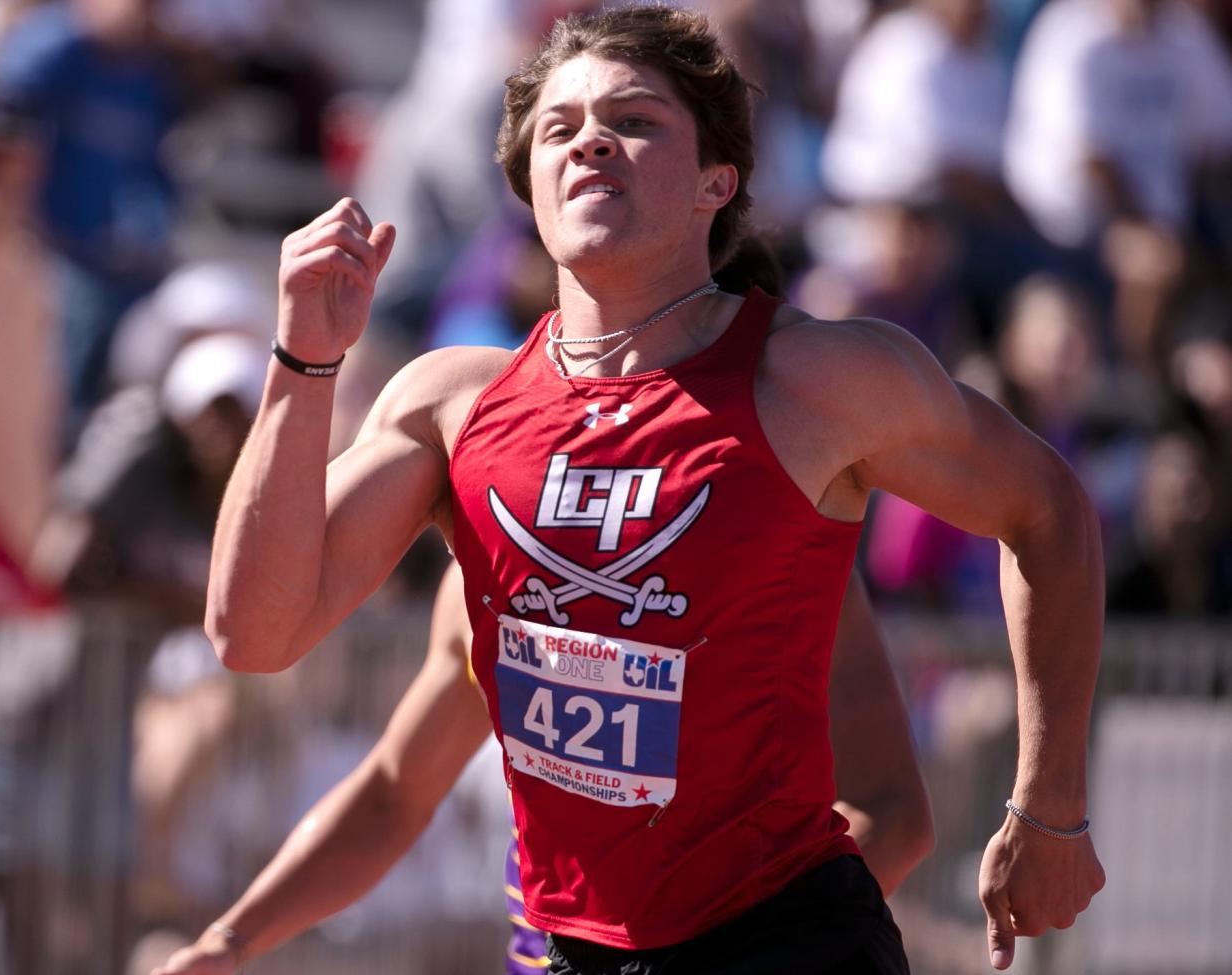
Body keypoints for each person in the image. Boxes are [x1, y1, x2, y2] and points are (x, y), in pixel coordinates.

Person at [203, 6, 1105, 972]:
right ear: (529, 190)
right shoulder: (448, 409)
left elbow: (1046, 509)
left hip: (781, 939)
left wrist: (1048, 807)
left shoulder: (816, 384)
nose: (590, 138)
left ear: (718, 181)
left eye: (634, 119)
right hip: (562, 950)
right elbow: (256, 635)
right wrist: (304, 361)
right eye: (560, 127)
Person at [152, 557, 933, 974]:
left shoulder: (790, 541)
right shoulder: (485, 574)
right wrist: (231, 939)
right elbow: (394, 791)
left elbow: (893, 814)